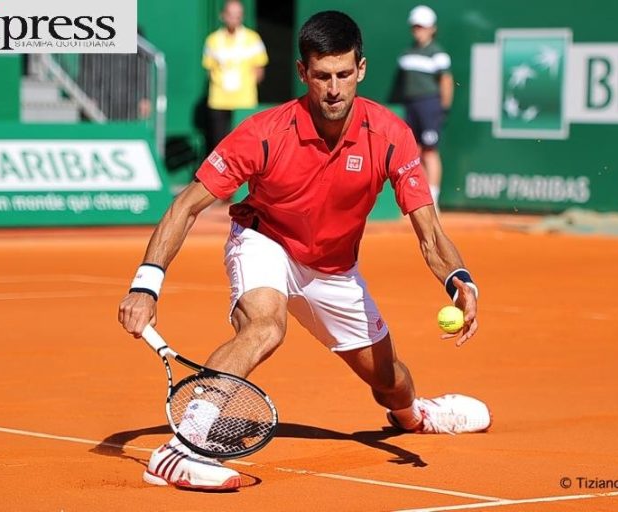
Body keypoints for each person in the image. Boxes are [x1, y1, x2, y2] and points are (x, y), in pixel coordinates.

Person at [119, 10, 490, 492]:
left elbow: (428, 231)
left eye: (342, 74)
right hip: (265, 240)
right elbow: (187, 206)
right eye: (321, 77)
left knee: (390, 379)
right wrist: (146, 283)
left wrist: (459, 278)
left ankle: (414, 416)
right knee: (265, 327)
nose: (333, 89)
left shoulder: (391, 134)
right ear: (302, 73)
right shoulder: (264, 132)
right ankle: (182, 448)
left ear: (361, 69)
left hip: (335, 269)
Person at [396, 5, 454, 209]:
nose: (417, 31)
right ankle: (421, 198)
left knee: (430, 151)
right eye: (415, 27)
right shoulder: (407, 53)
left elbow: (446, 81)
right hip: (410, 106)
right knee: (415, 152)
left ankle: (433, 200)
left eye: (421, 27)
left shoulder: (438, 54)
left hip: (429, 105)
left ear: (432, 29)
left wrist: (442, 109)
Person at [202, 0, 269, 156]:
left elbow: (259, 69)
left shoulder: (253, 38)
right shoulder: (212, 40)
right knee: (218, 145)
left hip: (244, 100)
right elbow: (209, 68)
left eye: (238, 15)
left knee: (245, 143)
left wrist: (247, 85)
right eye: (231, 14)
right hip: (219, 100)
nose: (234, 18)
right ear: (223, 15)